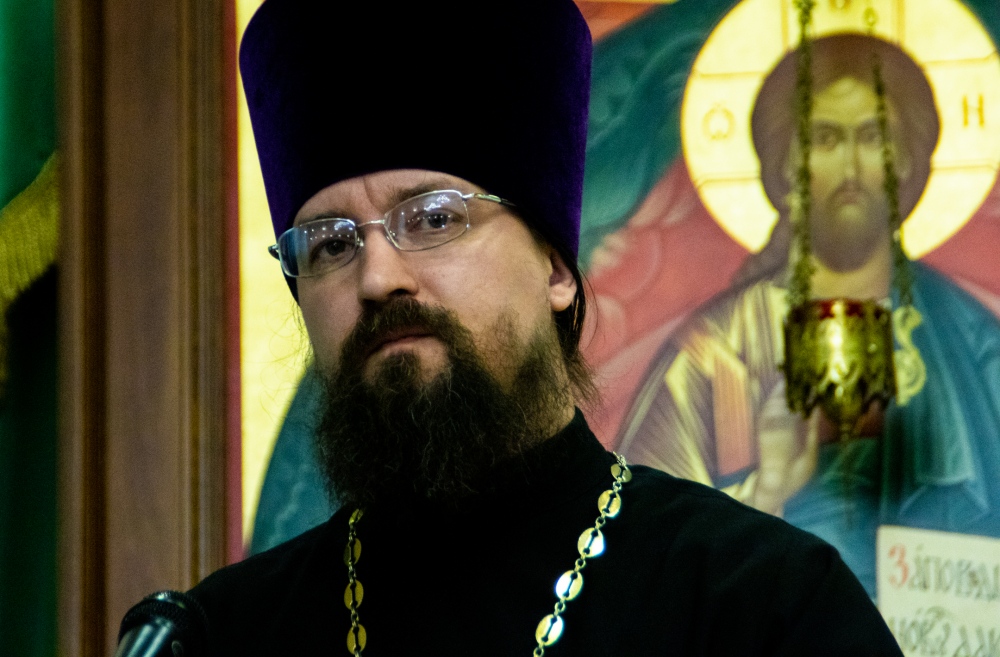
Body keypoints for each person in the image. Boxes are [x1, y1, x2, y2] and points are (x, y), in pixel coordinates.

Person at [168, 3, 902, 655]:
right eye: (331, 244)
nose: (376, 277)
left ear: (555, 269)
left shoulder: (766, 607)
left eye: (433, 218)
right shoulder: (218, 638)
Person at [618, 34, 1000, 597]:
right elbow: (639, 556)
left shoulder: (974, 341)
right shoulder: (716, 355)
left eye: (873, 136)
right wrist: (767, 491)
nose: (850, 167)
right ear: (788, 166)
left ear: (907, 161)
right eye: (824, 138)